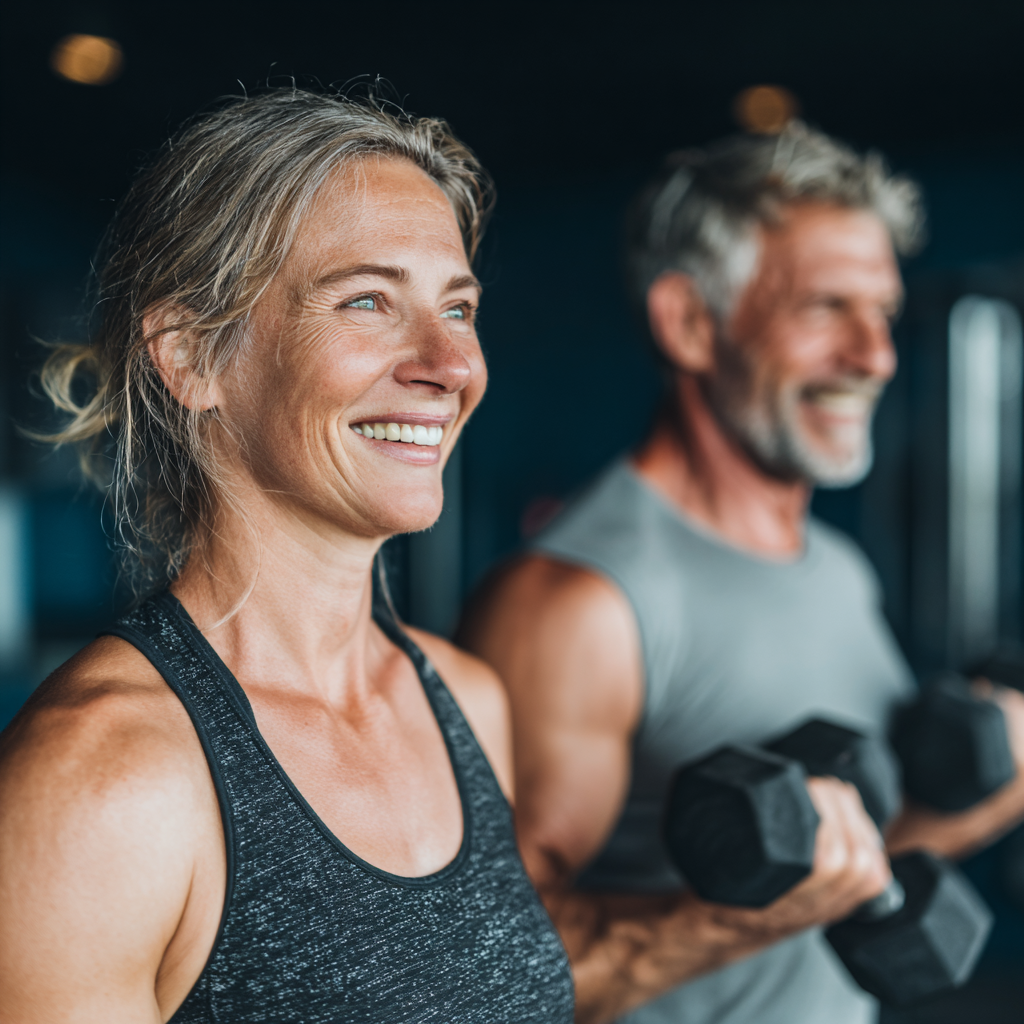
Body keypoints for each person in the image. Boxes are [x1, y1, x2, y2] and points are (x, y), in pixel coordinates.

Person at [0, 90, 575, 1023]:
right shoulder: (104, 783)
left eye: (458, 308)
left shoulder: (468, 703)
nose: (448, 362)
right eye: (367, 300)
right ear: (192, 357)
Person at [458, 122, 1024, 1024]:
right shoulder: (576, 601)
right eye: (824, 308)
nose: (874, 356)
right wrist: (732, 922)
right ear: (689, 322)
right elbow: (486, 969)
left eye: (880, 310)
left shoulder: (836, 569)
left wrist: (997, 792)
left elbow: (845, 866)